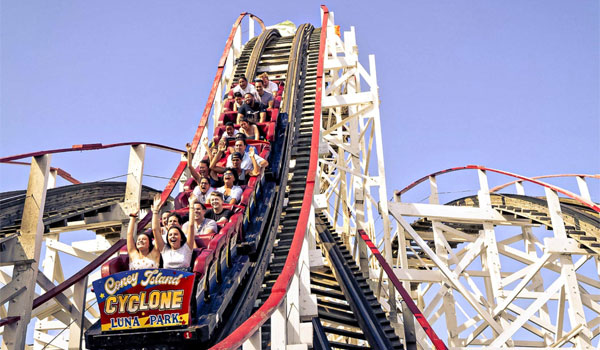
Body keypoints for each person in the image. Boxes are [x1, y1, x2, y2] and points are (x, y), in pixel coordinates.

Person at [152, 193, 195, 270]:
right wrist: (155, 210)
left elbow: (191, 226)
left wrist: (191, 205)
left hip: (185, 279)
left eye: (175, 234)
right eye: (170, 235)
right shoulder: (164, 249)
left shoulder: (187, 247)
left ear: (181, 238)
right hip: (168, 279)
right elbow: (155, 230)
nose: (172, 236)